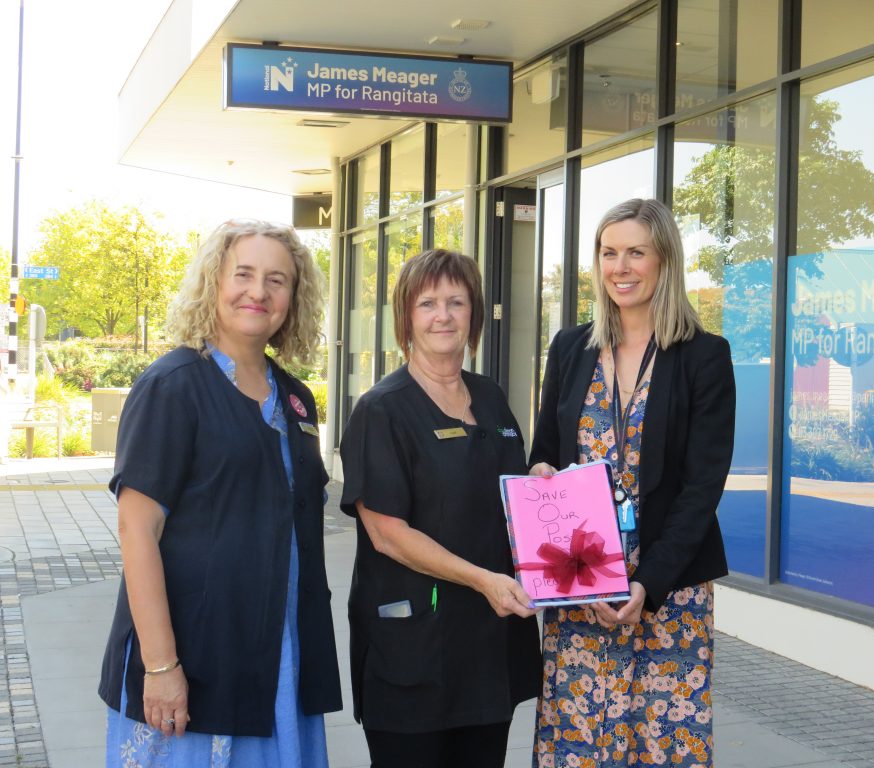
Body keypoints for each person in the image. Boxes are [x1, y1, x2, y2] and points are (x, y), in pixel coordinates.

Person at [98, 220, 343, 767]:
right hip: (195, 657)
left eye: (277, 280)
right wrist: (162, 667)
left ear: (294, 297)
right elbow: (137, 531)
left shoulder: (296, 399)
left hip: (279, 653)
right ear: (214, 282)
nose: (259, 292)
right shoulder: (171, 386)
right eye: (244, 274)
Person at [530, 198, 736, 767]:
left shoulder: (704, 357)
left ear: (664, 260)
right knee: (579, 745)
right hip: (582, 589)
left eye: (636, 253)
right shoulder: (570, 349)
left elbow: (701, 489)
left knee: (661, 744)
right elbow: (545, 452)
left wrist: (647, 584)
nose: (620, 267)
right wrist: (541, 474)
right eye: (608, 253)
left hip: (669, 591)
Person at [340, 248, 542, 768]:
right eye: (427, 303)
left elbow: (504, 495)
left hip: (488, 643)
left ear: (474, 313)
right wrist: (482, 579)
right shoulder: (382, 410)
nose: (443, 316)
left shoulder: (490, 397)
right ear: (406, 317)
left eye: (456, 301)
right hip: (415, 648)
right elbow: (387, 533)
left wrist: (539, 486)